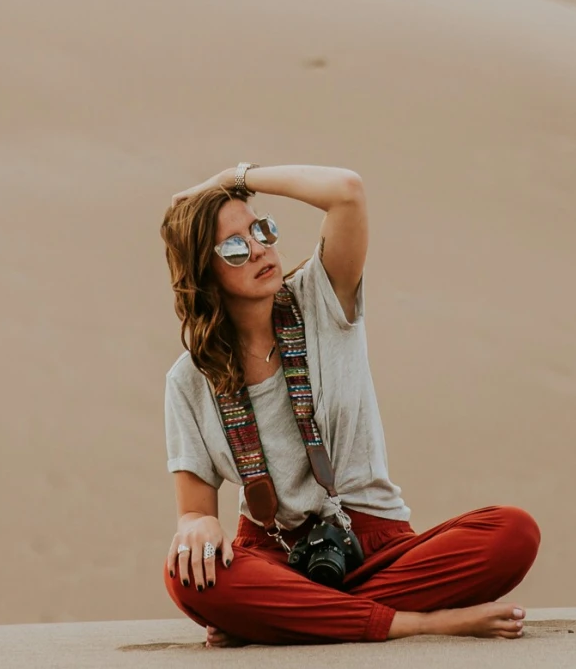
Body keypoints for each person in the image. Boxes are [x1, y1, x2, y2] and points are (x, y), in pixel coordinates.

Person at [159, 162, 540, 646]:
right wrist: (199, 526)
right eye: (234, 247)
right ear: (203, 271)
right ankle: (420, 623)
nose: (259, 249)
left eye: (261, 229)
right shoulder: (189, 379)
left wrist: (228, 181)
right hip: (274, 553)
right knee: (186, 578)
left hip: (376, 543)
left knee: (513, 533)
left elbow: (347, 191)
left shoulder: (323, 298)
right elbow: (193, 511)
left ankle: (295, 620)